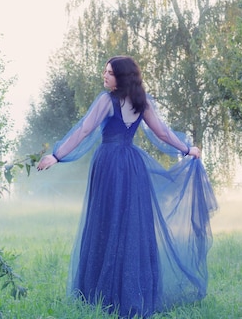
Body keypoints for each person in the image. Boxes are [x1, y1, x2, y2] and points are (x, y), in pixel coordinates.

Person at [37, 56, 217, 318]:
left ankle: (101, 294)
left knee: (106, 224)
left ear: (121, 77)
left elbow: (84, 131)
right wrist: (188, 149)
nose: (104, 76)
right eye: (105, 72)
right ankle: (131, 291)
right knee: (131, 227)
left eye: (109, 73)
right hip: (132, 167)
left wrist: (57, 155)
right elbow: (164, 134)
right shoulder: (142, 102)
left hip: (110, 165)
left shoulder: (106, 100)